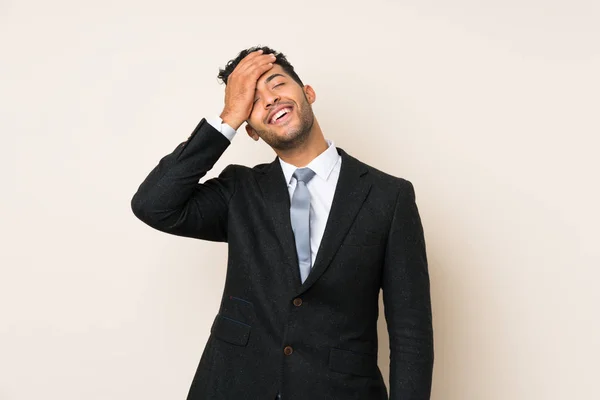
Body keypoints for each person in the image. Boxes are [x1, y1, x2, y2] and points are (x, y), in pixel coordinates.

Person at [131, 46, 434, 400]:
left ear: (308, 93)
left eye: (276, 84)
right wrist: (228, 117)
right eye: (253, 99)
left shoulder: (388, 196)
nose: (270, 99)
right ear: (251, 130)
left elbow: (411, 334)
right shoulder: (239, 191)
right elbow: (154, 205)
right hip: (232, 386)